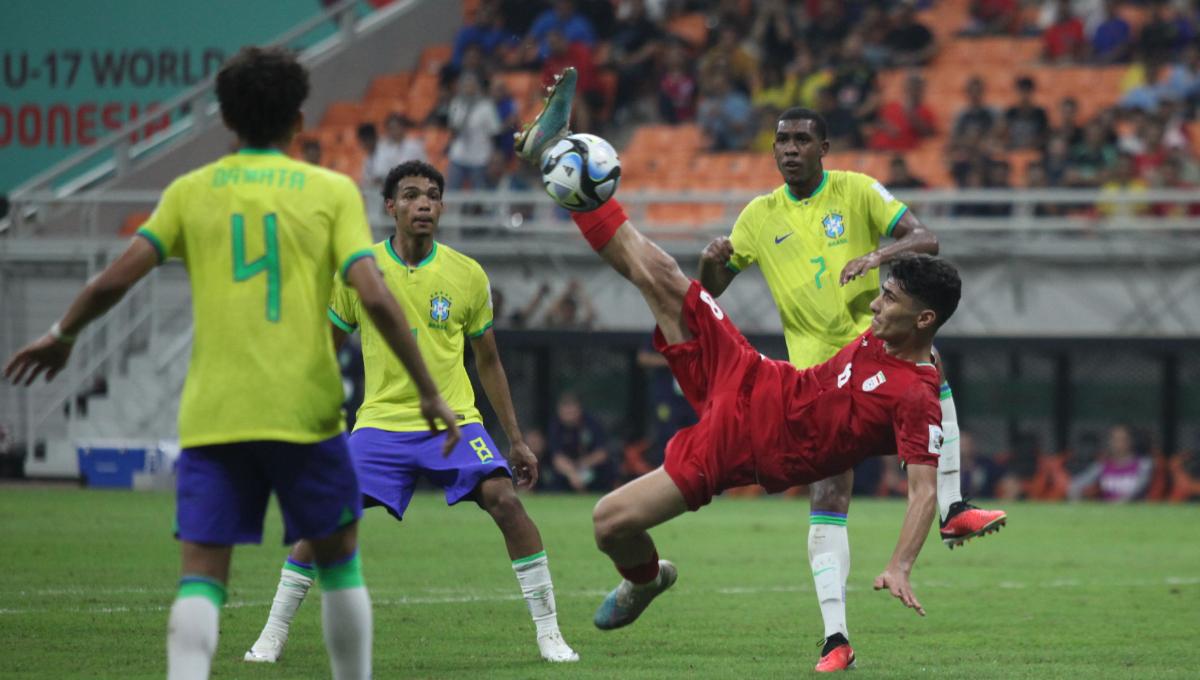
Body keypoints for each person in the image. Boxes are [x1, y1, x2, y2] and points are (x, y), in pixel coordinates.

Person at [513, 71, 999, 675]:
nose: (874, 302)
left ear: (922, 319)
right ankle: (567, 172)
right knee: (663, 278)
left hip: (749, 444)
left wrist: (901, 562)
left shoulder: (917, 392)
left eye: (888, 298)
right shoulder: (876, 330)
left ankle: (647, 579)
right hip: (754, 377)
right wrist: (712, 270)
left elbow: (919, 488)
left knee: (608, 523)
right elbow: (904, 271)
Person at [3, 46, 459, 680]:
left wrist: (62, 333)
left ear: (226, 119)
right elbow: (376, 295)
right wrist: (430, 391)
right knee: (339, 561)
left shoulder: (192, 192)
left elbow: (115, 281)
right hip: (306, 412)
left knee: (202, 576)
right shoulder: (328, 191)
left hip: (216, 412)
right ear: (299, 122)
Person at [696, 107, 1007, 671]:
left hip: (877, 348)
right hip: (819, 379)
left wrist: (877, 255)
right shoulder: (758, 216)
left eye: (801, 140)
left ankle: (953, 505)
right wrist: (709, 263)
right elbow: (713, 289)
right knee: (830, 497)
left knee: (930, 367)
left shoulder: (858, 192)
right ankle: (835, 637)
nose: (789, 149)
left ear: (824, 148)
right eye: (781, 141)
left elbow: (926, 238)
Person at [244, 160, 579, 665]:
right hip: (380, 423)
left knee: (505, 501)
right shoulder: (357, 272)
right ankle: (272, 634)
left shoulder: (468, 275)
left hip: (456, 421)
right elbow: (325, 350)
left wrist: (515, 437)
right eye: (411, 195)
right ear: (391, 207)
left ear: (441, 207)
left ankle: (550, 633)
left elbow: (488, 361)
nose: (423, 203)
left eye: (432, 195)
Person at [546, 392, 613, 492]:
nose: (568, 414)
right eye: (565, 410)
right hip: (568, 472)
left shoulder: (592, 424)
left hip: (591, 468)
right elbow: (557, 458)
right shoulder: (555, 427)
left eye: (571, 410)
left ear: (579, 409)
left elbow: (602, 454)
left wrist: (583, 465)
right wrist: (573, 474)